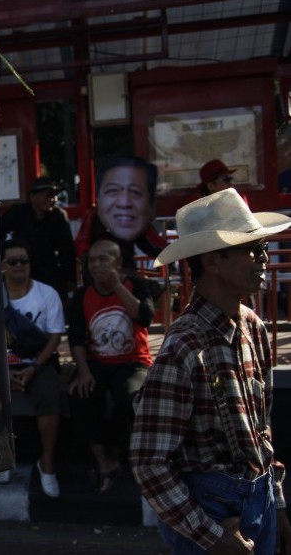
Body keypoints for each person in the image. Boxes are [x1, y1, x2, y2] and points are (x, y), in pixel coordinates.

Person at [130, 188, 291, 554]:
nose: (263, 259)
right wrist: (211, 535)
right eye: (252, 249)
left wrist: (276, 503)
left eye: (262, 248)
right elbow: (149, 463)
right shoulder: (183, 347)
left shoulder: (254, 328)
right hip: (214, 516)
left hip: (257, 501)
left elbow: (261, 430)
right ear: (214, 262)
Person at [67, 238, 154, 493]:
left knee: (128, 398)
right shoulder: (82, 295)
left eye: (103, 259)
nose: (96, 265)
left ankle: (117, 454)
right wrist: (82, 371)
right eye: (92, 260)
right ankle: (101, 460)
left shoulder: (136, 285)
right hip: (97, 361)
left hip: (133, 361)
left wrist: (116, 285)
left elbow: (145, 317)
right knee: (80, 396)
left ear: (118, 263)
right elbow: (76, 337)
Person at [1, 239, 65, 498]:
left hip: (38, 363)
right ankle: (1, 457)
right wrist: (4, 372)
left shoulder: (47, 293)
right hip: (3, 365)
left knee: (51, 395)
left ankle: (47, 463)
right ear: (3, 265)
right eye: (13, 261)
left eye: (24, 260)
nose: (19, 266)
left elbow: (55, 336)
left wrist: (35, 367)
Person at [74, 156, 167, 271]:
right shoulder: (92, 216)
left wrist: (174, 252)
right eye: (113, 191)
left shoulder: (135, 217)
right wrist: (90, 259)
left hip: (124, 270)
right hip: (97, 274)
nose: (123, 202)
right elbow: (82, 243)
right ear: (98, 197)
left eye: (135, 192)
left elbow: (151, 243)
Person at [0, 177, 76, 299]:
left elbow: (67, 250)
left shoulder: (58, 216)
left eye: (54, 196)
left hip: (49, 269)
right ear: (33, 197)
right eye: (47, 195)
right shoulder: (18, 212)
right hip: (22, 265)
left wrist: (71, 279)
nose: (52, 199)